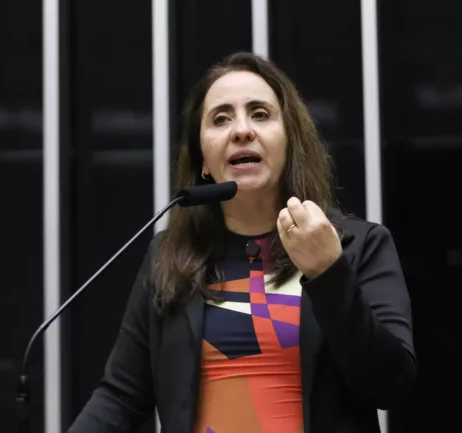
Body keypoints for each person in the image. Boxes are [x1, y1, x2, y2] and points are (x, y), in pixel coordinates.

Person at [68, 52, 416, 433]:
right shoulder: (170, 255)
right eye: (220, 119)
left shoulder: (357, 246)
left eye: (261, 114)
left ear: (289, 142)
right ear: (204, 158)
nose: (241, 130)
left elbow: (390, 386)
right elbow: (120, 397)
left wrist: (329, 273)